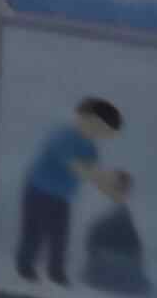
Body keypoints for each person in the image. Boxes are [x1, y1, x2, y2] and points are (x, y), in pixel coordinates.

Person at [16, 97, 121, 283]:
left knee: (60, 236)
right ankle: (25, 265)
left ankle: (56, 271)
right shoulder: (63, 135)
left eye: (106, 133)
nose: (101, 134)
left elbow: (92, 173)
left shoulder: (91, 148)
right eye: (102, 128)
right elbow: (76, 166)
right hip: (38, 191)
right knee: (34, 232)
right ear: (87, 119)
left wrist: (108, 189)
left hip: (62, 198)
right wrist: (100, 179)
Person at [83, 169, 147, 296]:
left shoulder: (127, 210)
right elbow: (92, 240)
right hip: (105, 260)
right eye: (121, 185)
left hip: (116, 261)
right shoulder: (101, 204)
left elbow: (136, 248)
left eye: (125, 187)